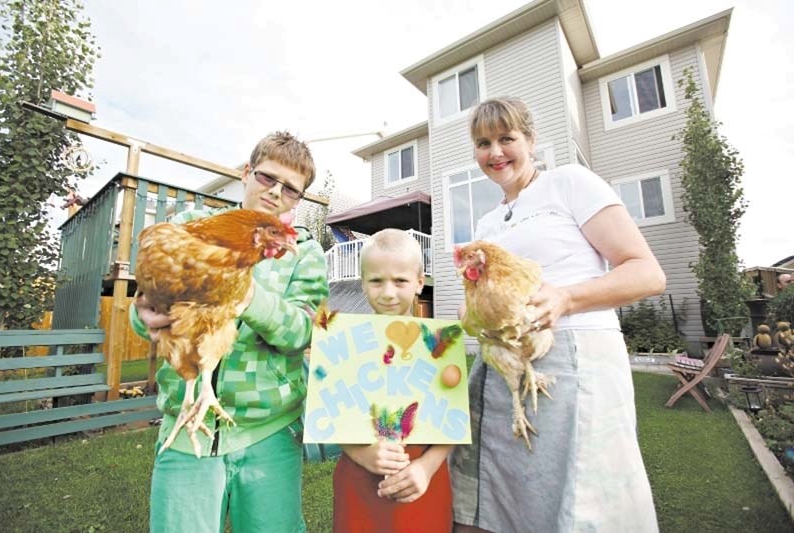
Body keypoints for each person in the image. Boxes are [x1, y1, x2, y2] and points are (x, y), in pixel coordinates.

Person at [450, 97, 665, 533]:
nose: (495, 153)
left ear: (530, 140)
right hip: (502, 368)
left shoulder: (570, 183)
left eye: (507, 138)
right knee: (503, 495)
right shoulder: (489, 222)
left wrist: (565, 298)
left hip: (573, 360)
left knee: (579, 495)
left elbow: (647, 273)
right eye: (483, 143)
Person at [131, 131, 329, 533]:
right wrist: (144, 314)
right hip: (186, 427)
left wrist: (245, 295)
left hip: (268, 431)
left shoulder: (304, 252)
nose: (275, 193)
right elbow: (146, 307)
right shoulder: (189, 227)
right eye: (267, 178)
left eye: (291, 190)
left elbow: (302, 332)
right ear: (246, 173)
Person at [332, 228, 453, 532]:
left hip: (421, 478)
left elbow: (453, 420)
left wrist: (426, 469)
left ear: (419, 283)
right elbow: (330, 413)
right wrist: (363, 453)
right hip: (359, 480)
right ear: (363, 284)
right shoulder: (343, 343)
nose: (388, 292)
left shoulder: (439, 345)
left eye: (400, 281)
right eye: (376, 281)